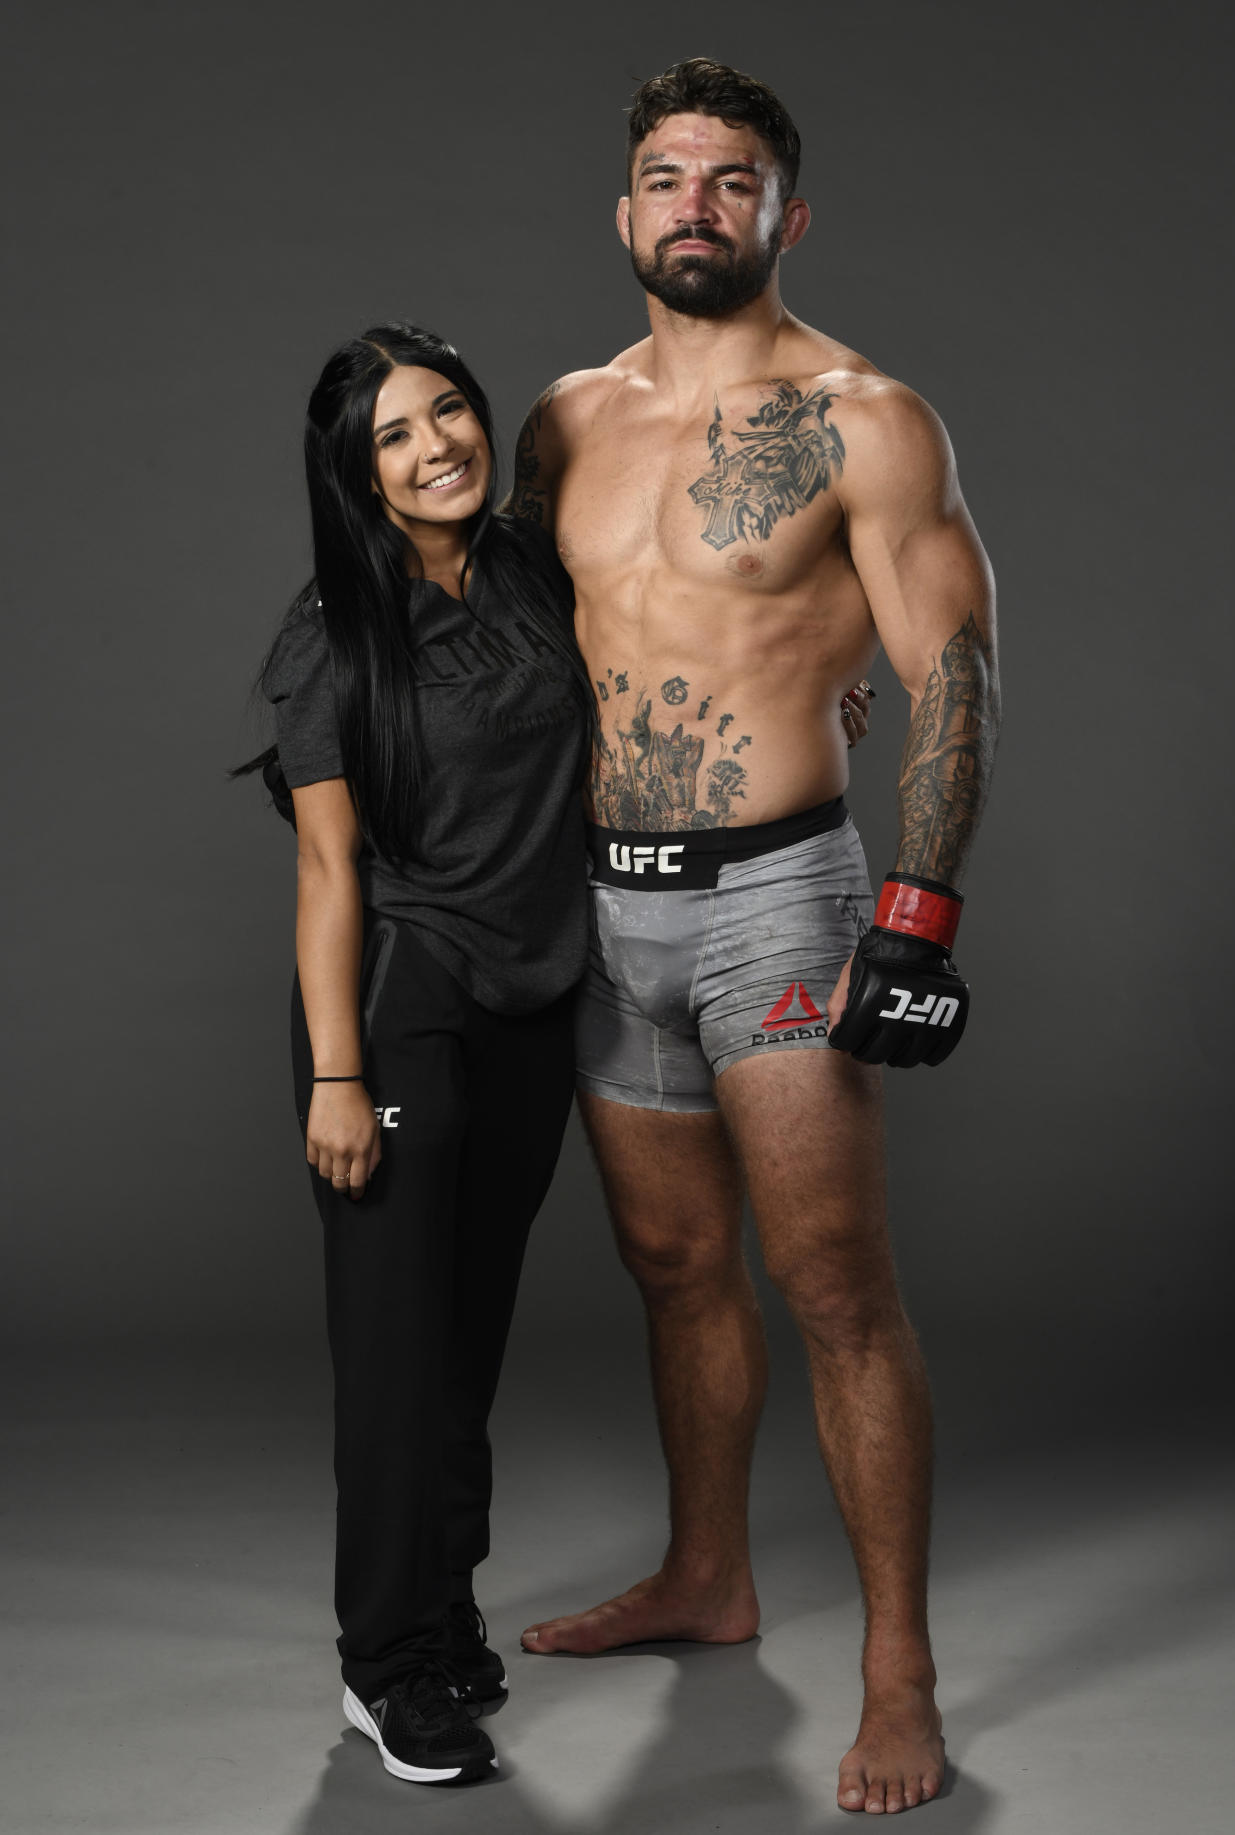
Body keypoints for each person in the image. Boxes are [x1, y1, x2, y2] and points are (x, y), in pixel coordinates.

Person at [509, 58, 1000, 1817]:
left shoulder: (867, 415)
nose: (695, 204)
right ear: (624, 210)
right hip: (597, 899)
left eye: (732, 178)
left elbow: (948, 669)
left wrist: (916, 915)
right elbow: (507, 648)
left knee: (835, 1293)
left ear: (788, 211)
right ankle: (707, 1579)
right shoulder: (563, 417)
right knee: (670, 1273)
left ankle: (896, 1675)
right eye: (664, 177)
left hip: (776, 899)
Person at [238, 323, 598, 1786]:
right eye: (392, 433)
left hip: (534, 995)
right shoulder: (331, 632)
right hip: (397, 1002)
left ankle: (442, 1618)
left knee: (465, 1338)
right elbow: (328, 873)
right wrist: (335, 1074)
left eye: (445, 410)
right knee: (394, 1356)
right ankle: (383, 1671)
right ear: (353, 470)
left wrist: (812, 699)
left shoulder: (528, 568)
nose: (436, 442)